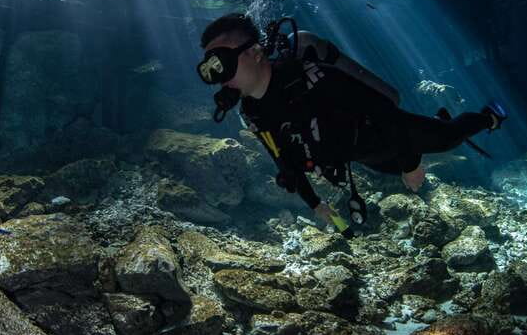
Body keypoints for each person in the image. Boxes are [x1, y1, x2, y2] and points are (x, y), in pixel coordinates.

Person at [197, 13, 507, 233]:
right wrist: (315, 204)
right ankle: (434, 127)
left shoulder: (312, 78)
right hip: (362, 156)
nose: (217, 79)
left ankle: (489, 115)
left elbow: (383, 109)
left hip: (387, 132)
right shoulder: (253, 112)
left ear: (254, 52)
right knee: (394, 167)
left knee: (447, 139)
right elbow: (282, 161)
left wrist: (411, 163)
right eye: (209, 70)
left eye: (221, 64)